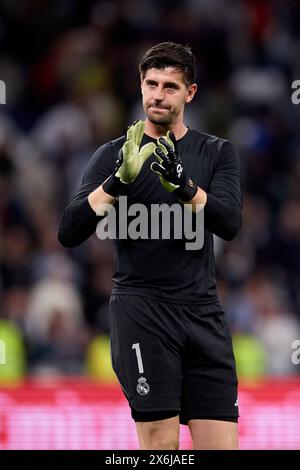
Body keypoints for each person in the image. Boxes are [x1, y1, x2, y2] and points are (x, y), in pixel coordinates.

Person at [58, 41, 242, 450]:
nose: (158, 95)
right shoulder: (114, 156)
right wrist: (116, 183)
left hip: (203, 313)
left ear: (190, 92)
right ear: (140, 86)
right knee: (160, 446)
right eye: (151, 84)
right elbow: (69, 231)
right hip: (142, 311)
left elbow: (229, 223)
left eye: (170, 86)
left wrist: (187, 188)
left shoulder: (216, 153)